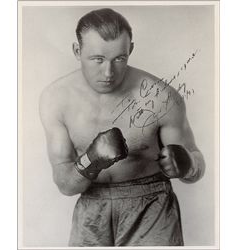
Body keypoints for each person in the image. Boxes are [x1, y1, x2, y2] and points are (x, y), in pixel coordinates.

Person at [39, 8, 205, 247]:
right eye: (98, 59)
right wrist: (91, 160)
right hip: (92, 205)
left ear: (131, 51)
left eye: (119, 59)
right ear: (77, 51)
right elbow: (65, 185)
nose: (108, 73)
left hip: (152, 206)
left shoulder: (161, 97)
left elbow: (196, 166)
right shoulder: (56, 99)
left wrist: (188, 163)